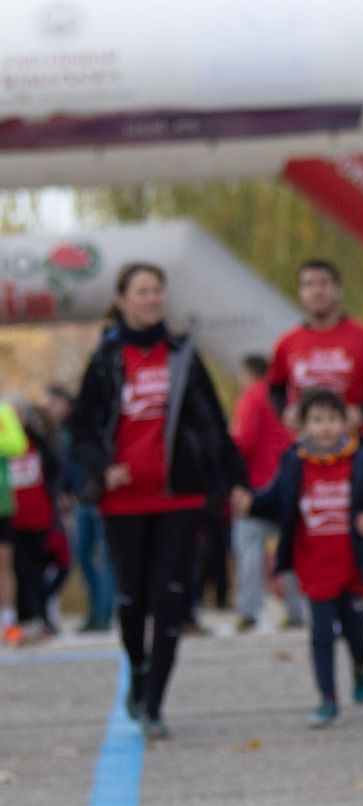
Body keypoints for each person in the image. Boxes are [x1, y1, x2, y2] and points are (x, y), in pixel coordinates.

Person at [71, 262, 251, 739]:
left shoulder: (183, 356)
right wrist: (102, 469)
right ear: (123, 299)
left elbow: (213, 421)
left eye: (158, 292)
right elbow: (84, 430)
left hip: (179, 496)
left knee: (170, 598)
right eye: (143, 291)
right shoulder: (106, 356)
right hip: (123, 500)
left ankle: (154, 704)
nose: (152, 299)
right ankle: (138, 671)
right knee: (132, 601)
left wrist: (236, 481)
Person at [243, 389, 363, 726]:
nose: (325, 427)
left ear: (345, 421)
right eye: (317, 420)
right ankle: (327, 698)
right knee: (321, 634)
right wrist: (250, 503)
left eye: (331, 419)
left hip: (354, 565)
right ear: (303, 425)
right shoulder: (294, 460)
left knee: (355, 628)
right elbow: (274, 499)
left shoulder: (362, 458)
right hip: (313, 566)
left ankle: (360, 666)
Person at [269, 259, 363, 439]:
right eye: (309, 285)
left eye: (324, 283)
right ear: (301, 293)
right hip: (308, 449)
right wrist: (284, 412)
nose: (317, 291)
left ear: (338, 289)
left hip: (356, 448)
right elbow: (275, 388)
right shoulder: (286, 343)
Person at [232, 354, 306, 633]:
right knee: (291, 547)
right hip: (289, 482)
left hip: (257, 485)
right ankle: (297, 610)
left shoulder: (252, 398)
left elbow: (245, 442)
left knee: (250, 549)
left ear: (249, 373)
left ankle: (249, 611)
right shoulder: (289, 397)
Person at [47, 384, 113, 632]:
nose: (51, 409)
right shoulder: (61, 429)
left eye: (53, 403)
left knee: (104, 558)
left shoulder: (86, 423)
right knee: (83, 556)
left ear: (65, 401)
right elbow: (64, 465)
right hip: (79, 500)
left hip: (98, 497)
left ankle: (103, 614)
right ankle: (95, 612)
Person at [10, 402, 64, 641]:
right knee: (20, 571)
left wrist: (55, 495)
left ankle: (44, 618)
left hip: (40, 517)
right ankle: (25, 619)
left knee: (44, 568)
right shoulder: (6, 446)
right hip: (13, 518)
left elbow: (58, 469)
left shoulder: (39, 442)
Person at [0, 399, 29, 645]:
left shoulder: (4, 411)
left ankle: (9, 622)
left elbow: (17, 445)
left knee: (4, 565)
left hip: (2, 504)